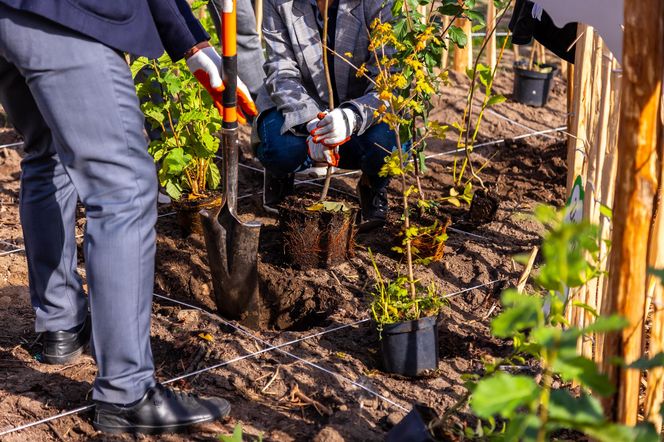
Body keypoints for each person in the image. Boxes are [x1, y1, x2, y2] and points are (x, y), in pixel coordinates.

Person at [0, 0, 256, 435]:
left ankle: (61, 326)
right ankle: (126, 391)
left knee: (46, 153)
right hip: (64, 13)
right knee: (124, 188)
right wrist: (192, 42)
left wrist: (191, 43)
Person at [257, 0, 398, 230]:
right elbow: (281, 72)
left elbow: (389, 77)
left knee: (388, 145)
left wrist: (352, 117)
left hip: (362, 105)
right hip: (297, 101)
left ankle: (372, 183)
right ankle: (280, 174)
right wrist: (310, 122)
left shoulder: (379, 3)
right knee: (280, 149)